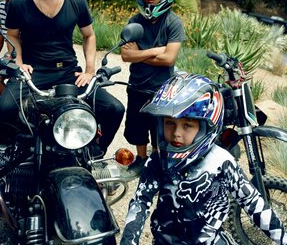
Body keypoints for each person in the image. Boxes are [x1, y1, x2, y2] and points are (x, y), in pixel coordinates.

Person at [120, 73, 287, 245]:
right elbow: (141, 201)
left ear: (206, 126)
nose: (177, 133)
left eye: (188, 125)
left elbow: (253, 203)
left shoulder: (221, 162)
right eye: (169, 123)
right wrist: (128, 240)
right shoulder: (157, 160)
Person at [0, 0, 124, 154]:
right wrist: (19, 64)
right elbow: (13, 37)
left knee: (114, 109)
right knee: (4, 108)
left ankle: (94, 152)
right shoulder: (18, 4)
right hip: (34, 71)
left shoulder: (76, 2)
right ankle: (9, 153)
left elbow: (89, 36)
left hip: (68, 72)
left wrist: (90, 70)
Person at [120, 0, 186, 176]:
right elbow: (126, 55)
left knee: (160, 131)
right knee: (136, 128)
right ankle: (141, 159)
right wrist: (156, 50)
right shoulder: (135, 21)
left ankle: (157, 162)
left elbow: (169, 59)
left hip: (162, 89)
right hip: (137, 86)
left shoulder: (173, 22)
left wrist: (141, 53)